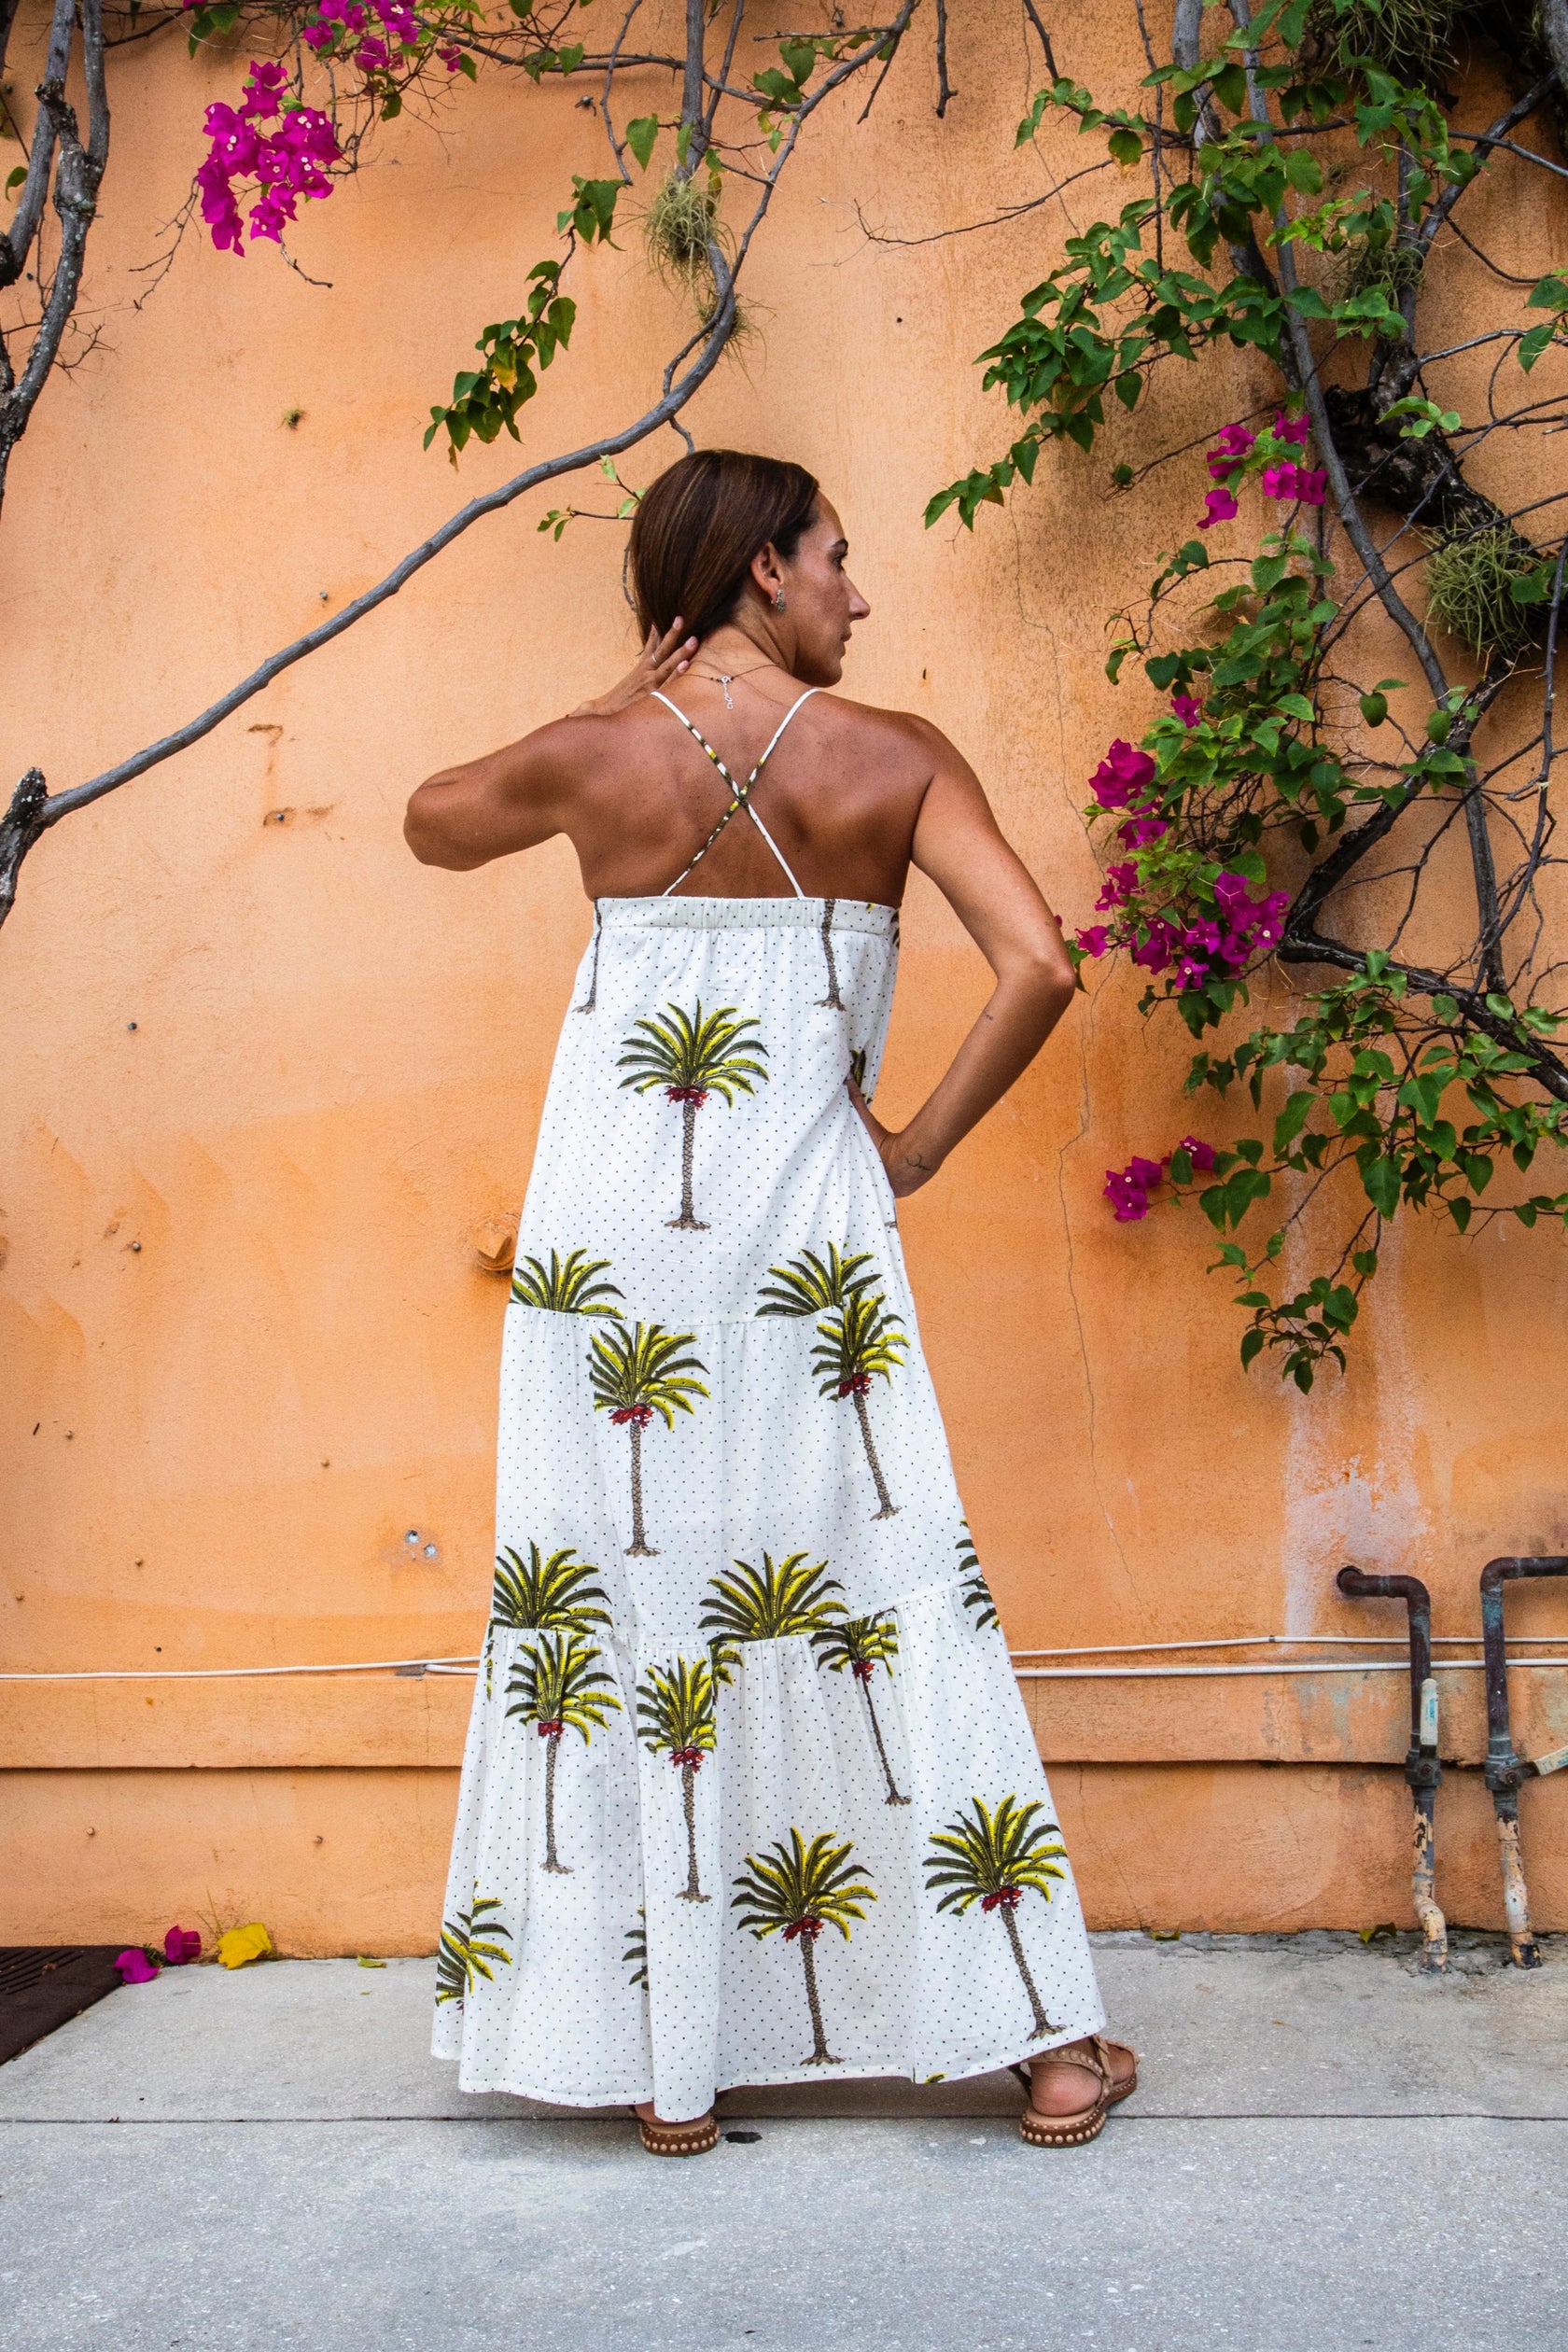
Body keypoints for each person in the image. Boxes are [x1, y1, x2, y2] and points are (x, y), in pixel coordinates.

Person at [405, 447, 1136, 2153]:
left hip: (607, 1268)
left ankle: (667, 2067)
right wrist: (917, 1148)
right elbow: (1040, 961)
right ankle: (1043, 2045)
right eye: (836, 560)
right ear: (762, 572)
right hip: (816, 1256)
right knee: (891, 1591)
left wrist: (619, 705)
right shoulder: (897, 758)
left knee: (629, 1609)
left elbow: (432, 823)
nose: (856, 596)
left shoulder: (599, 757)